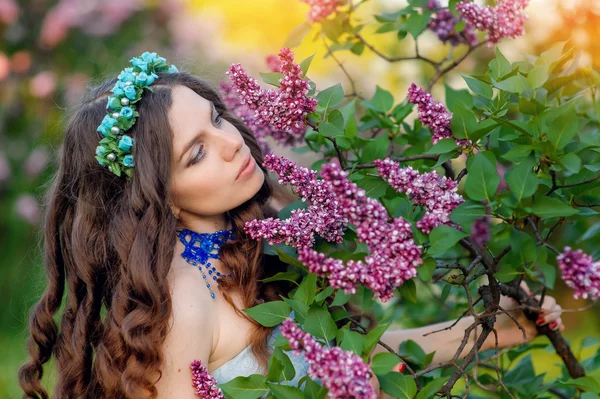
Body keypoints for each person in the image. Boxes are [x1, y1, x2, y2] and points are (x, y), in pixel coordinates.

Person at [18, 52, 565, 399]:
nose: (233, 142)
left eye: (215, 117)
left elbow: (346, 358)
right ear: (156, 196)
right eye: (197, 154)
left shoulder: (253, 242)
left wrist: (507, 326)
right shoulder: (181, 303)